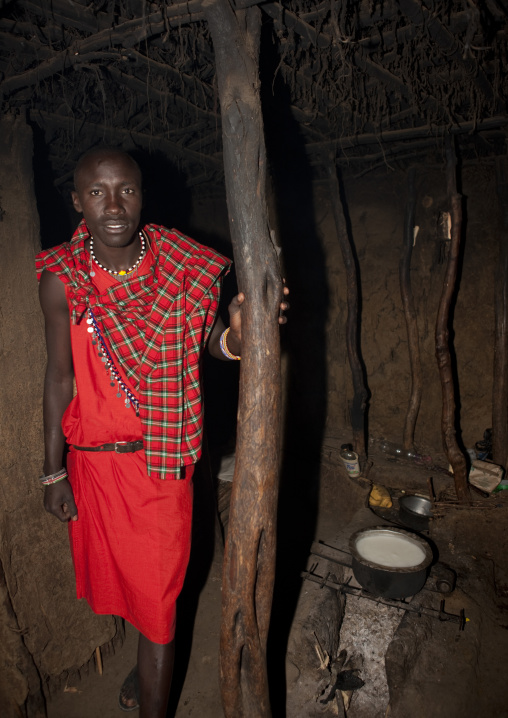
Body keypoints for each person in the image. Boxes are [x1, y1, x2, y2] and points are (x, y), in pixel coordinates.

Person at [36, 147, 288, 717]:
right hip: (95, 468)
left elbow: (215, 344)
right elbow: (58, 376)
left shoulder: (180, 264)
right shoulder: (62, 280)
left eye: (126, 189)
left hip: (159, 467)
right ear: (78, 202)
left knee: (158, 603)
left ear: (143, 195)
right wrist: (53, 469)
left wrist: (244, 338)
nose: (114, 205)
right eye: (97, 193)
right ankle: (146, 660)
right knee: (132, 594)